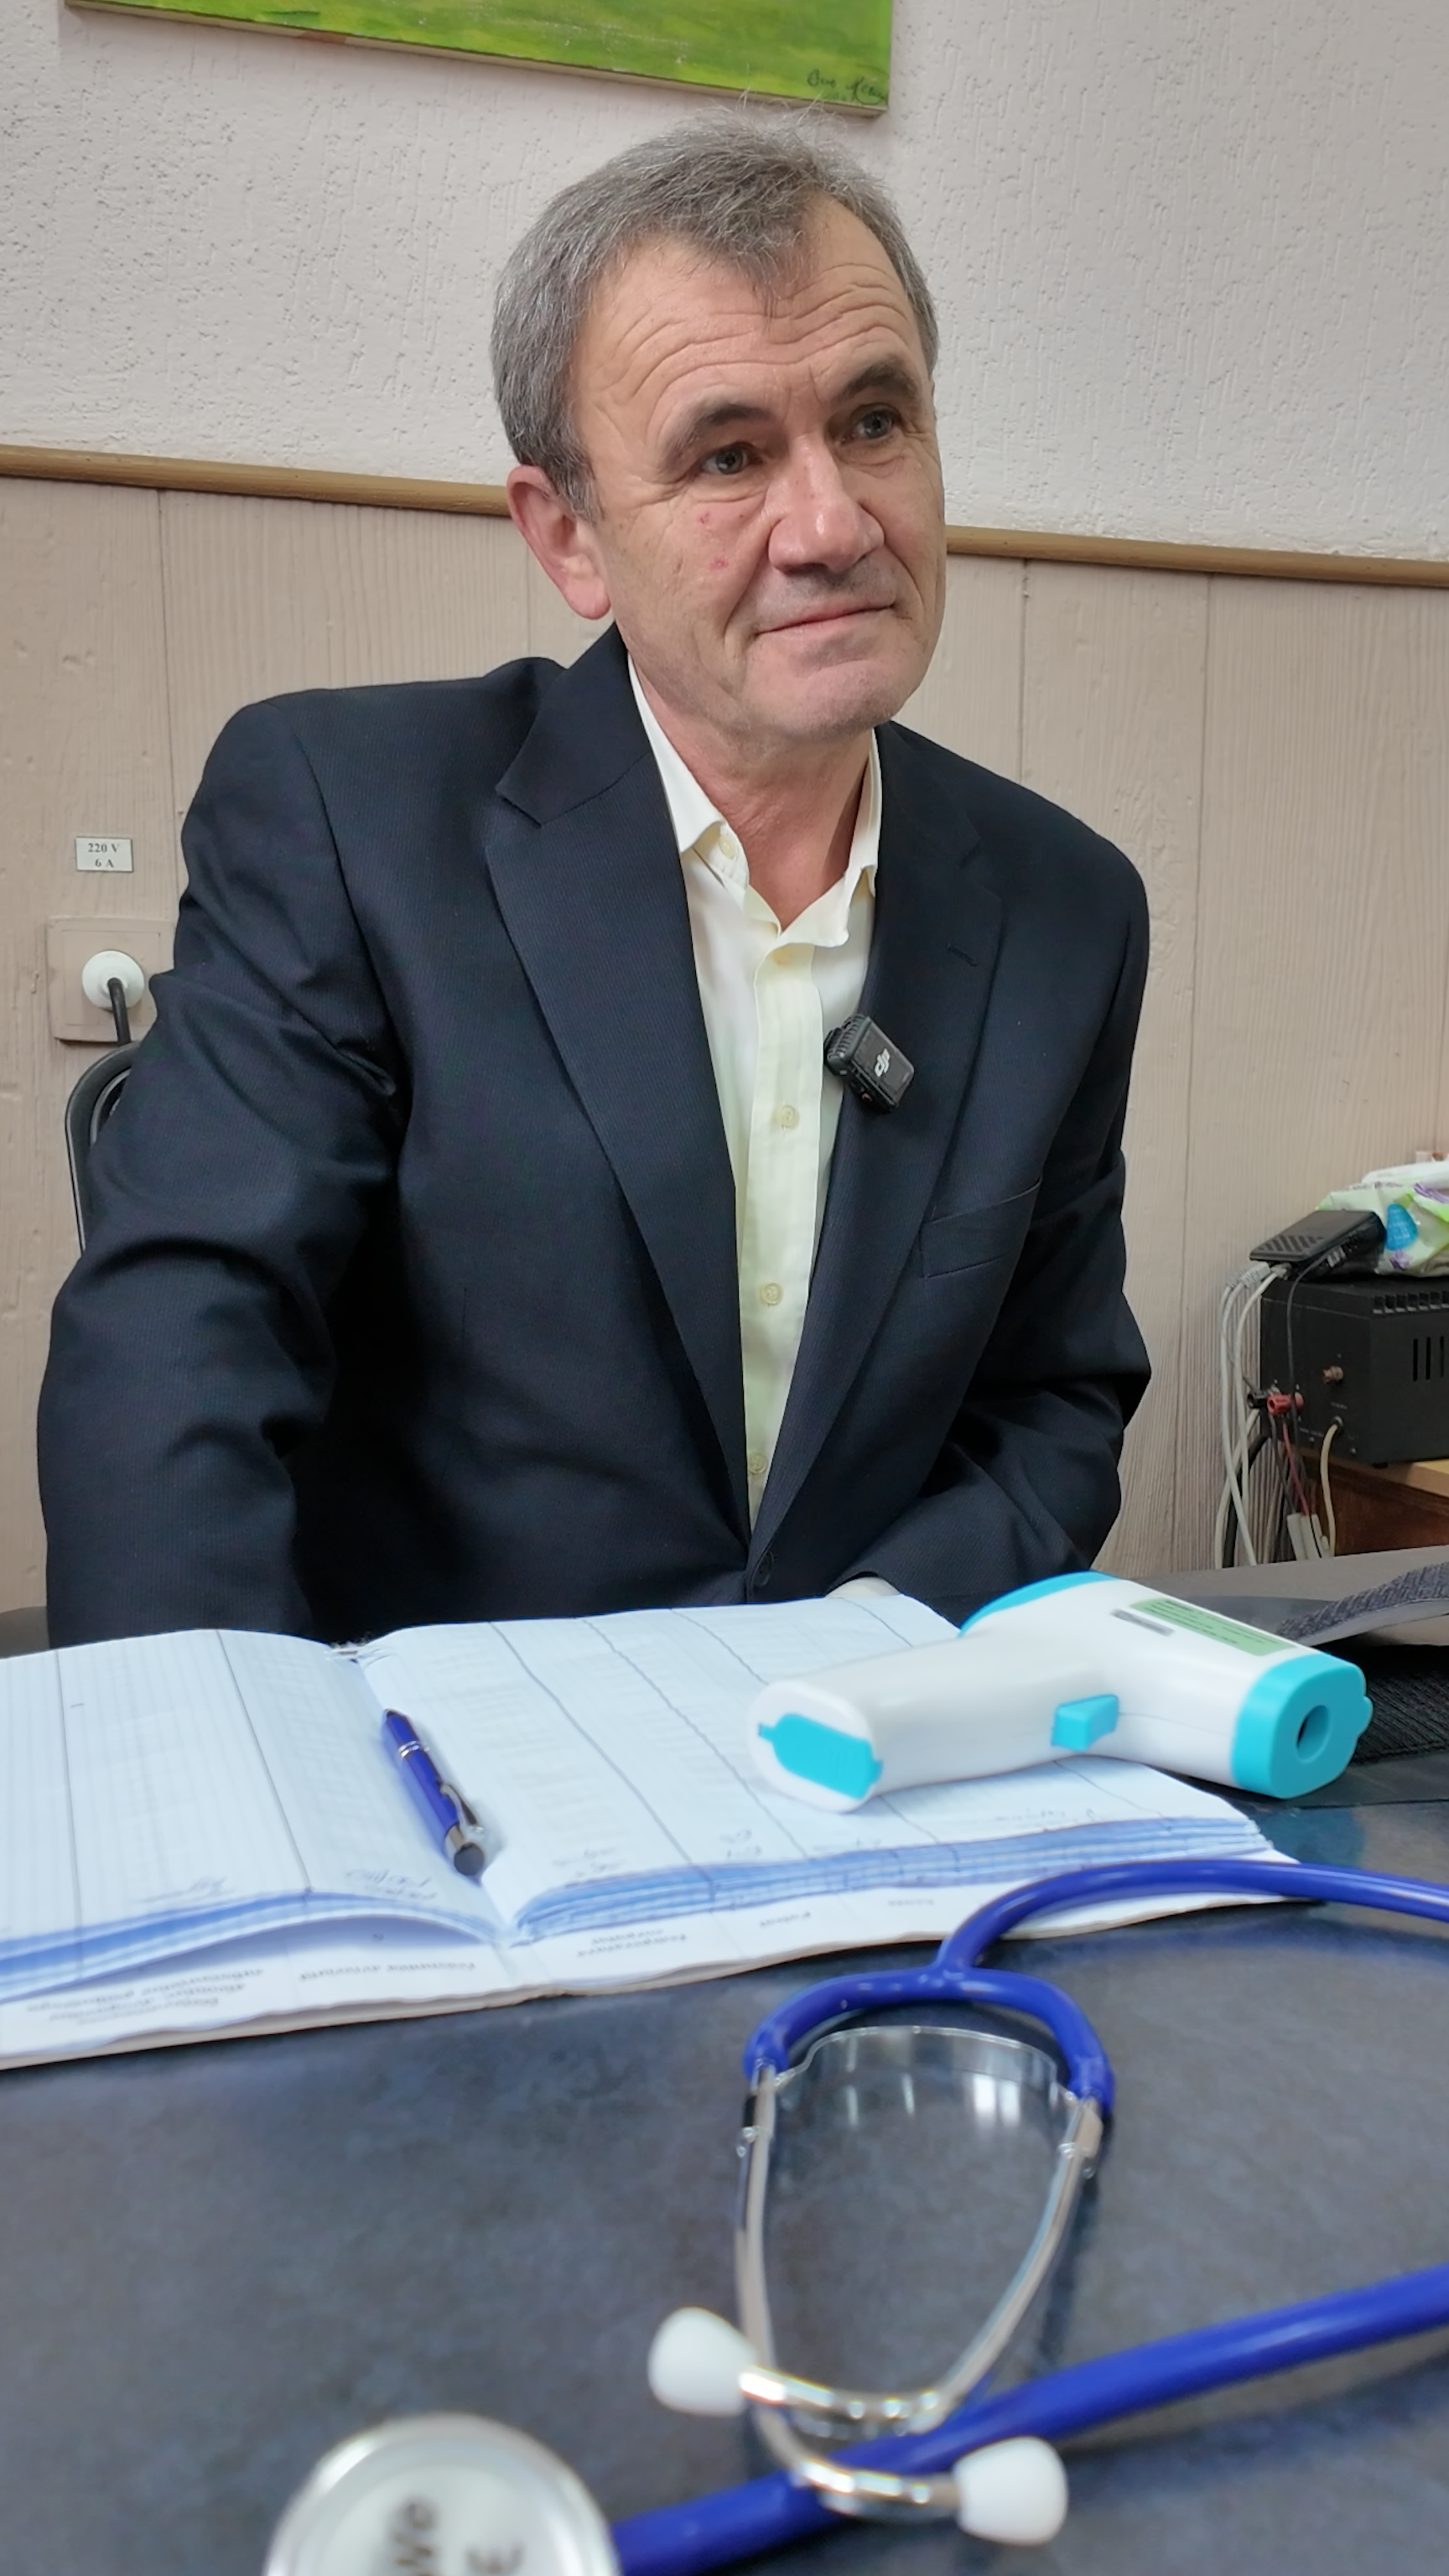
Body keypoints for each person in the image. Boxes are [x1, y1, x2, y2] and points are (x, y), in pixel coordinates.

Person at [39, 123, 1149, 1649]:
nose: (832, 525)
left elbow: (1054, 1395)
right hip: (452, 1741)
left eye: (875, 421)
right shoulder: (350, 818)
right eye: (728, 456)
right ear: (569, 537)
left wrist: (867, 1646)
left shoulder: (1067, 908)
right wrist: (219, 1750)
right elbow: (181, 1348)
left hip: (860, 1737)